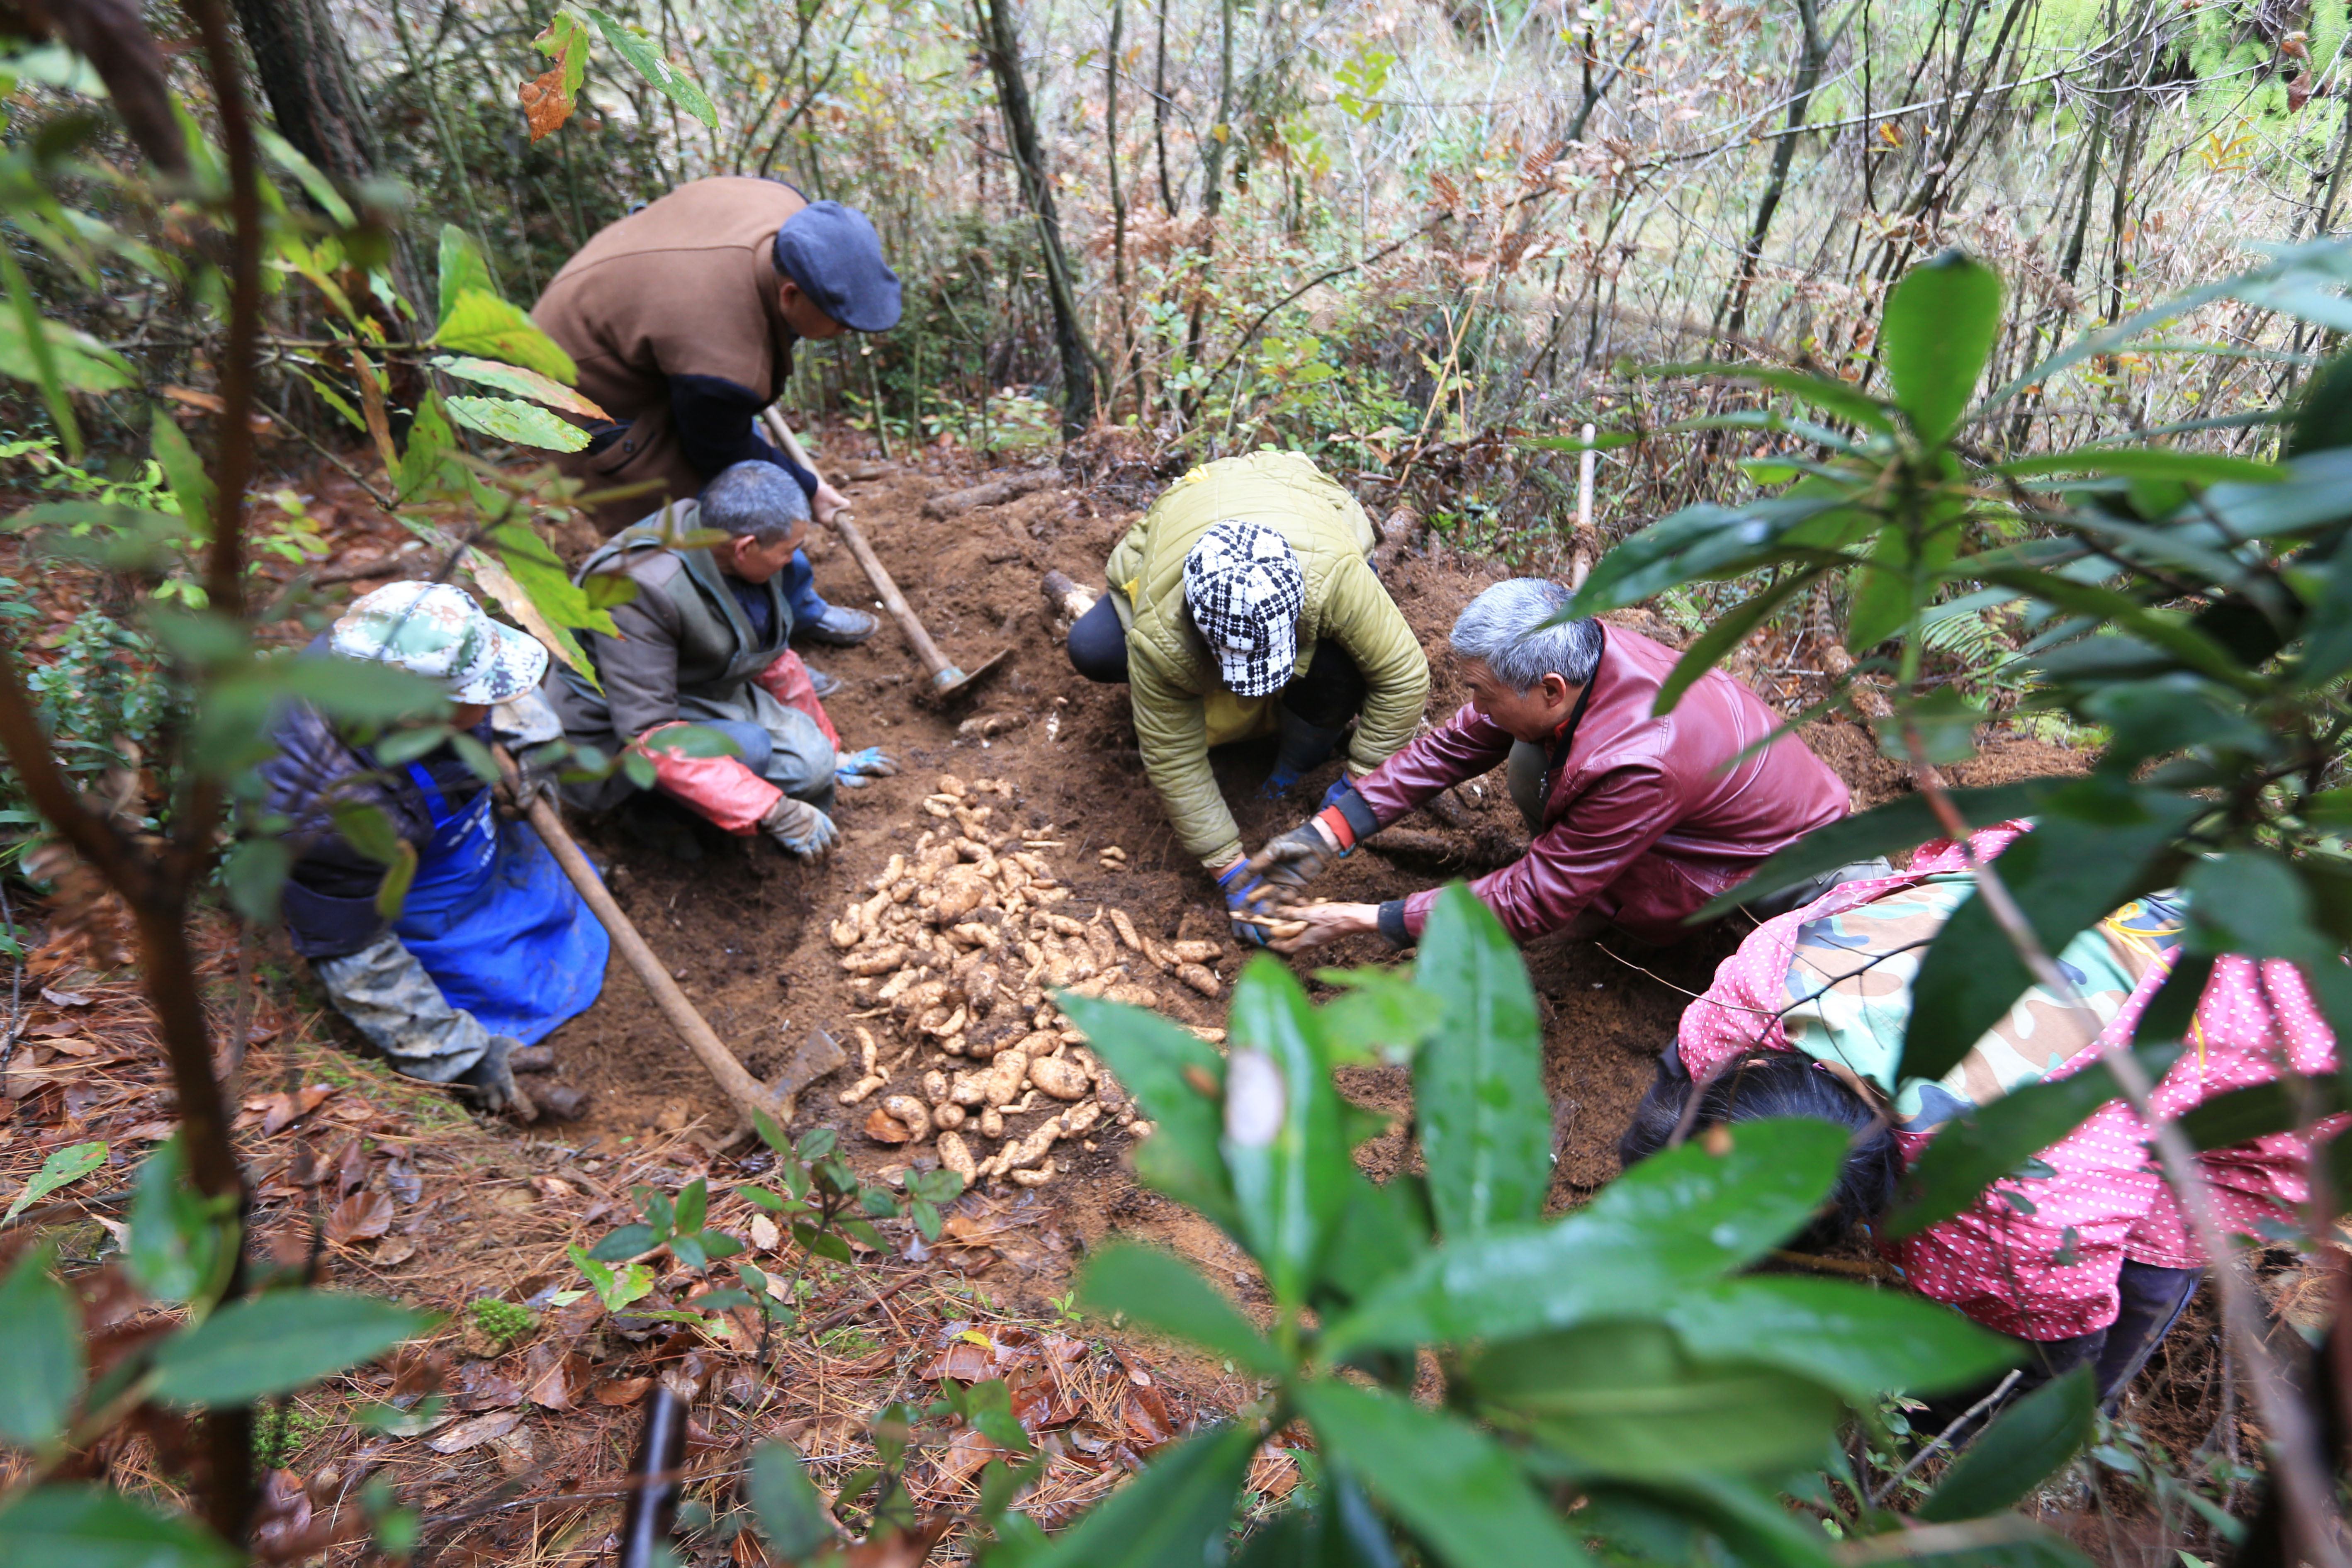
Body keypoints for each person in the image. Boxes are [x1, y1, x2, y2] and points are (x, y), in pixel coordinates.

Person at [1617, 820, 2341, 1412]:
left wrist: (1959, 1413)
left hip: (2254, 1018)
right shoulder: (1760, 987)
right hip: (2104, 863)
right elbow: (1678, 1099)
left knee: (2149, 1258)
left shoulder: (2020, 1200)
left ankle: (2044, 1434)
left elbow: (2049, 1336)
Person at [1248, 578, 1852, 952]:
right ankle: (1602, 877)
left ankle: (1630, 913)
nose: (1472, 705)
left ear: (1550, 690)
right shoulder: (1581, 646)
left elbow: (1534, 897)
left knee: (1558, 826)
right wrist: (1329, 831)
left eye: (1481, 691)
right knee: (1525, 761)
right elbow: (1454, 743)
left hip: (1773, 862)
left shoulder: (1639, 762)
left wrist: (1368, 919)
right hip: (1721, 791)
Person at [261, 583, 606, 1121]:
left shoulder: (384, 641)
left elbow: (491, 686)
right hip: (402, 899)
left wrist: (522, 746)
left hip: (458, 839)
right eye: (480, 695)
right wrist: (464, 1056)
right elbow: (354, 952)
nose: (495, 700)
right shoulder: (322, 810)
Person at [1060, 450, 1430, 943]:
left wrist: (1356, 795)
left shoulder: (1333, 578)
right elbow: (1172, 757)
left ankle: (1294, 763)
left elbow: (1403, 677)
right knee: (1094, 647)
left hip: (1300, 501)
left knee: (1341, 666)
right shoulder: (1163, 630)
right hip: (1194, 504)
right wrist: (1229, 868)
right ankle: (1222, 703)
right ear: (1195, 625)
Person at [532, 175, 900, 664]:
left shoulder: (784, 207)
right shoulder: (722, 359)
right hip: (568, 385)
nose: (845, 331)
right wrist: (808, 488)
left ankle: (798, 608)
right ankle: (749, 655)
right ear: (789, 295)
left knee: (756, 491)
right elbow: (723, 455)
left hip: (651, 340)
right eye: (839, 320)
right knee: (704, 530)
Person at [548, 460, 898, 853]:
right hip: (613, 730)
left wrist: (831, 753)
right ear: (746, 547)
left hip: (688, 681)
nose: (793, 560)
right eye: (789, 551)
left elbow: (771, 657)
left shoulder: (727, 545)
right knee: (749, 748)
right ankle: (654, 820)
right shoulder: (638, 589)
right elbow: (650, 734)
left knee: (811, 765)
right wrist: (772, 809)